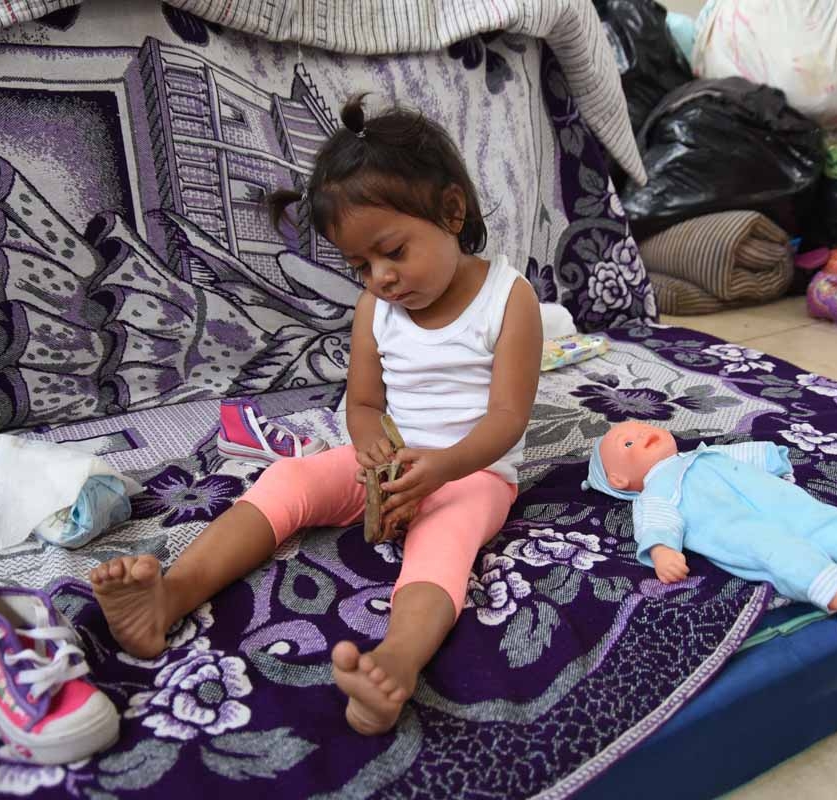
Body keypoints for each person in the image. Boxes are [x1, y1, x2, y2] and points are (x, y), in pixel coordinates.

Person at [88, 94, 542, 735]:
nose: (381, 278)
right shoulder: (375, 310)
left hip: (475, 472)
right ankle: (169, 594)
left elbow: (507, 419)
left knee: (445, 542)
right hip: (392, 465)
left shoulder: (507, 296)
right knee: (292, 480)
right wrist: (371, 451)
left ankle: (395, 665)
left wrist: (440, 468)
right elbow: (363, 404)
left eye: (393, 252)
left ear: (451, 211)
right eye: (361, 266)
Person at [583, 421, 837, 636]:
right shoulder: (653, 494)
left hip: (784, 503)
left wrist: (772, 457)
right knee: (784, 555)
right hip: (739, 531)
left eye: (641, 426)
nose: (641, 433)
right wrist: (663, 551)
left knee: (827, 522)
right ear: (619, 479)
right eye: (627, 443)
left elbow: (745, 456)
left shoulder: (705, 455)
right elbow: (657, 523)